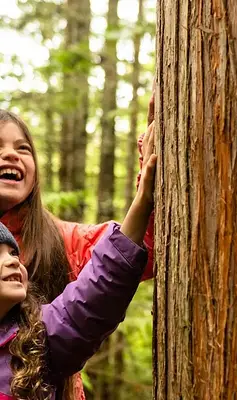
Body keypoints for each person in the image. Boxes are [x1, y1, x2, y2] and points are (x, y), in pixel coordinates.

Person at [0, 108, 156, 399]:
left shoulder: (63, 240)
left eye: (23, 148)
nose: (11, 155)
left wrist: (152, 158)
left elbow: (139, 250)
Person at [0, 193, 153, 399]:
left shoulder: (38, 338)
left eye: (13, 254)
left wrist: (142, 202)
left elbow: (101, 284)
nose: (12, 262)